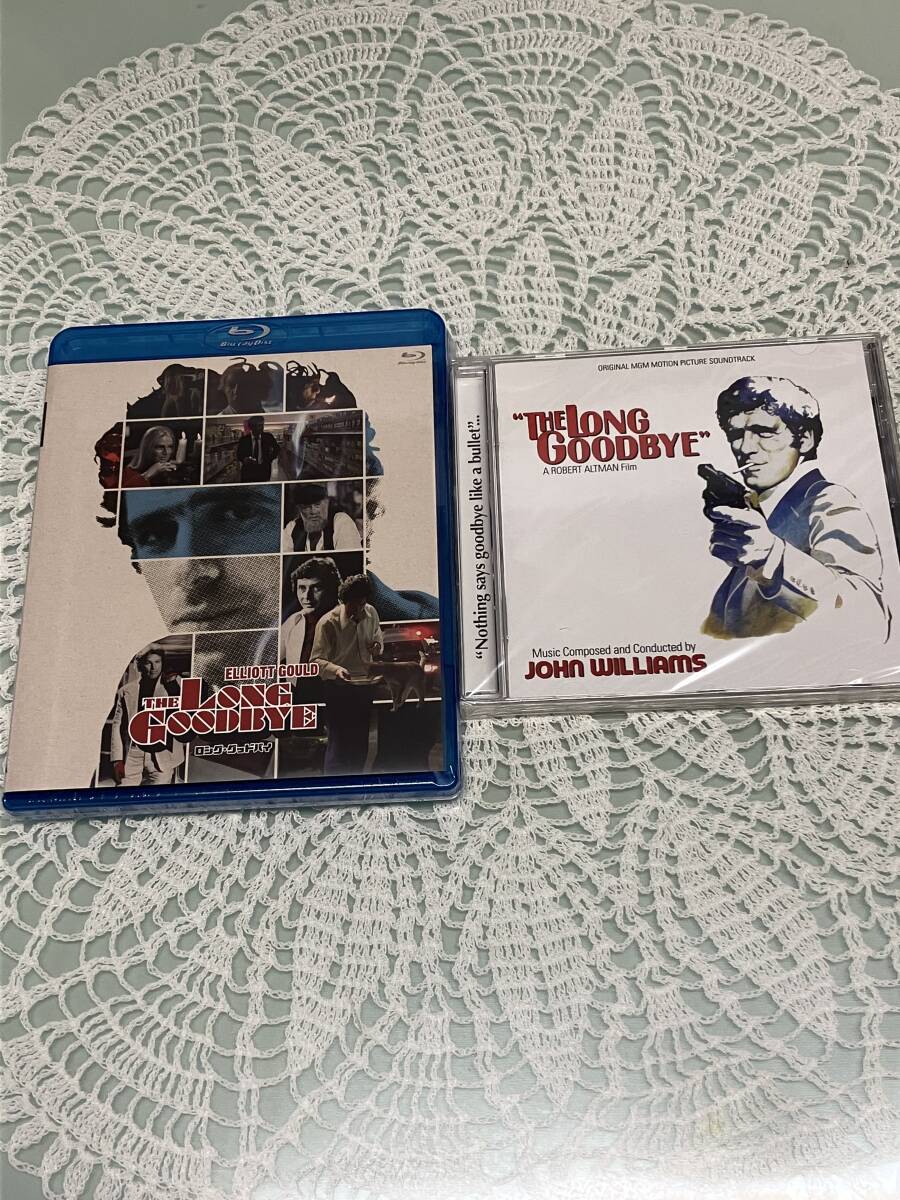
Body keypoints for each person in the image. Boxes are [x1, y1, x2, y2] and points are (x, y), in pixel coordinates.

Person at [703, 376, 889, 639]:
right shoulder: (765, 512)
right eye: (735, 434)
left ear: (805, 440)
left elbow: (869, 617)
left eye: (764, 432)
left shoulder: (829, 500)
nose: (745, 448)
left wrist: (772, 557)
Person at [312, 574, 383, 773]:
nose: (358, 610)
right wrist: (336, 670)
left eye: (361, 604)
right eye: (353, 605)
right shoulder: (327, 623)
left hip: (365, 687)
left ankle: (357, 782)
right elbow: (315, 661)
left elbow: (378, 636)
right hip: (338, 689)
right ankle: (333, 784)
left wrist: (377, 646)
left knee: (360, 743)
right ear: (343, 601)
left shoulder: (371, 612)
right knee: (339, 744)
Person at [109, 647, 184, 786]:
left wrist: (173, 684)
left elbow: (185, 709)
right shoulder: (126, 691)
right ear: (140, 665)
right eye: (149, 663)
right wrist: (117, 759)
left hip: (161, 755)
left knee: (157, 796)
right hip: (133, 753)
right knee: (123, 794)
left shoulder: (173, 684)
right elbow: (117, 725)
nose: (154, 667)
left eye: (157, 662)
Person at [280, 557, 341, 664]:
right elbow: (271, 657)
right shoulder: (294, 621)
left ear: (332, 588)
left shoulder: (348, 620)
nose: (307, 596)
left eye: (316, 588)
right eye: (302, 588)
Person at [281, 483, 362, 552]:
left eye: (317, 505)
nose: (313, 511)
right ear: (300, 510)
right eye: (306, 507)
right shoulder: (292, 527)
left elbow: (349, 559)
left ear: (327, 504)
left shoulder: (341, 521)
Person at [236, 415, 279, 483]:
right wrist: (244, 459)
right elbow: (239, 454)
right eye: (258, 425)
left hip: (264, 470)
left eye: (262, 425)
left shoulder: (268, 437)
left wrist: (270, 459)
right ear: (251, 427)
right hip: (248, 471)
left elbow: (277, 449)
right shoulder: (243, 440)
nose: (261, 428)